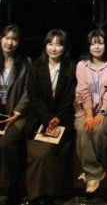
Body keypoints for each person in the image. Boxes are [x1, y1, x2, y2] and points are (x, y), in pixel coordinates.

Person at [25, 29, 76, 203]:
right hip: (38, 119)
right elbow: (33, 96)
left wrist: (57, 118)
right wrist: (47, 118)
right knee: (39, 154)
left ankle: (51, 194)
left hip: (62, 119)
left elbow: (69, 97)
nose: (54, 48)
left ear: (65, 47)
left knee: (53, 151)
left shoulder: (70, 68)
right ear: (45, 45)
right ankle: (35, 195)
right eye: (50, 43)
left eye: (59, 44)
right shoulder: (35, 66)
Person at [74, 29, 107, 194]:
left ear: (106, 45)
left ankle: (89, 172)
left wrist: (101, 113)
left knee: (100, 130)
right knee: (82, 129)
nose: (96, 47)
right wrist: (89, 115)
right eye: (93, 43)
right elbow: (82, 91)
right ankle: (94, 172)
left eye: (100, 43)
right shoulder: (82, 65)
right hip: (85, 109)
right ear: (88, 46)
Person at [0, 25, 31, 205]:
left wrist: (17, 113)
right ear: (1, 39)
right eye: (6, 38)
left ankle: (12, 190)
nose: (9, 42)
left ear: (18, 43)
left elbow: (28, 92)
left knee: (6, 142)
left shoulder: (26, 63)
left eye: (14, 39)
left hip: (17, 115)